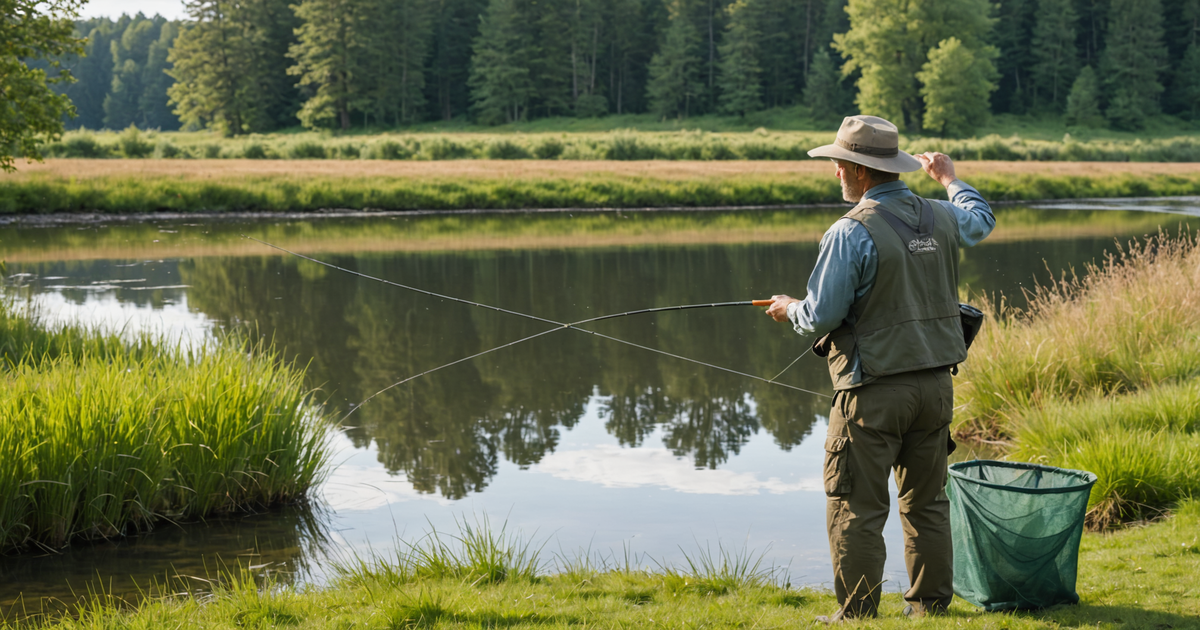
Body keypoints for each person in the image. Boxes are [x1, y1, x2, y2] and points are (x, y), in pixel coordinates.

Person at [763, 115, 994, 623]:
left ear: (863, 171)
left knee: (855, 507)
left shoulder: (850, 231)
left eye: (840, 164)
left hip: (871, 393)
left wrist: (787, 309)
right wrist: (950, 179)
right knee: (927, 504)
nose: (836, 173)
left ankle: (859, 616)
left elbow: (820, 314)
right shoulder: (941, 216)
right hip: (935, 387)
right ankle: (930, 609)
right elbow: (981, 219)